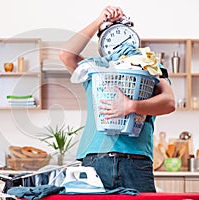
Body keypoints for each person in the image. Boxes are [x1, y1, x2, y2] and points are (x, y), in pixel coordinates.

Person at [59, 5, 175, 192]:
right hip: (95, 161)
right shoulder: (94, 68)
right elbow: (66, 54)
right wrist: (99, 21)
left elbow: (169, 102)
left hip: (135, 161)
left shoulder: (149, 65)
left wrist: (130, 106)